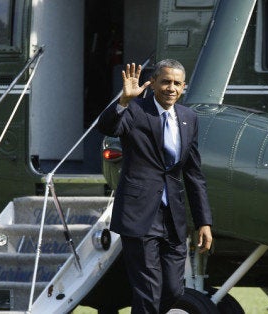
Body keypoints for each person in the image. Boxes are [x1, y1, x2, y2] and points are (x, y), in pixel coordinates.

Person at [97, 60, 213, 313]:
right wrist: (123, 101)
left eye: (177, 83)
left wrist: (204, 221)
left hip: (173, 216)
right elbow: (108, 127)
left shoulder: (188, 118)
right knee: (148, 290)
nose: (171, 88)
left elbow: (193, 173)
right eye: (166, 81)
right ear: (154, 84)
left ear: (184, 87)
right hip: (139, 214)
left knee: (173, 290)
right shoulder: (136, 110)